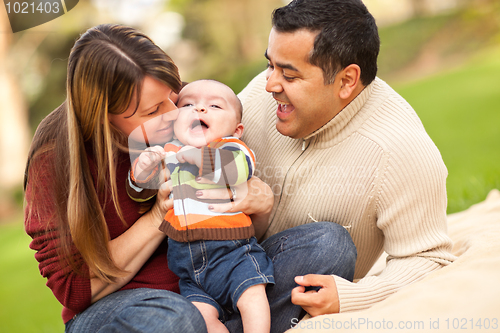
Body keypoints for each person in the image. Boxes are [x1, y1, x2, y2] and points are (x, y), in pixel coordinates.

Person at [235, 0, 456, 326]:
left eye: (289, 75)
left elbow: (428, 257)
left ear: (347, 80)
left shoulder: (398, 150)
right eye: (270, 65)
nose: (269, 84)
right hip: (215, 260)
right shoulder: (260, 93)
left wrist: (355, 294)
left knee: (329, 244)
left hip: (279, 284)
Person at [23, 23, 210, 333]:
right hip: (119, 309)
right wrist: (158, 214)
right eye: (153, 111)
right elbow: (75, 288)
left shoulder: (189, 107)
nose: (174, 112)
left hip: (206, 285)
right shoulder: (54, 157)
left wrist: (258, 200)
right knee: (172, 318)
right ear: (103, 117)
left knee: (317, 244)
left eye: (172, 94)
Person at [126, 79, 274, 333]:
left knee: (252, 296)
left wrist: (200, 159)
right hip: (187, 268)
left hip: (233, 254)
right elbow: (141, 193)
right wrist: (141, 171)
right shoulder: (169, 152)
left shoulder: (232, 148)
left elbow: (238, 169)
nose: (199, 110)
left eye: (215, 106)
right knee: (201, 319)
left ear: (237, 129)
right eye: (188, 105)